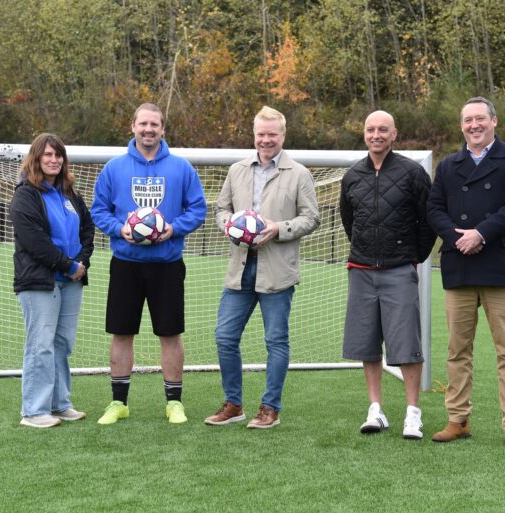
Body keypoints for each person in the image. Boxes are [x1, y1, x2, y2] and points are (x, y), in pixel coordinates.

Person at [427, 96, 505, 449]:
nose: (474, 125)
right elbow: (434, 208)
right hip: (459, 264)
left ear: (494, 121)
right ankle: (458, 419)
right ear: (461, 126)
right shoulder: (447, 166)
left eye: (480, 119)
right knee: (458, 351)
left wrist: (481, 233)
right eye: (468, 120)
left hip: (499, 265)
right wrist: (457, 237)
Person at [204, 106, 320, 429]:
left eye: (272, 134)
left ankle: (270, 408)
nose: (266, 140)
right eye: (261, 134)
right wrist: (230, 225)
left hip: (277, 270)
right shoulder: (237, 170)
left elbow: (311, 217)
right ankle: (233, 404)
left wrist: (278, 229)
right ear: (253, 135)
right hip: (240, 267)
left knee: (276, 341)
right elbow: (221, 209)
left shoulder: (299, 173)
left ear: (283, 135)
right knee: (225, 336)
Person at [91, 103, 207, 425]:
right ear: (132, 126)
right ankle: (119, 402)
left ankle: (174, 403)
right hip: (126, 264)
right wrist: (120, 229)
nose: (148, 130)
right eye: (143, 124)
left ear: (163, 129)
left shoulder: (182, 168)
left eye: (154, 124)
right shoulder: (114, 168)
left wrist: (173, 228)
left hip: (167, 264)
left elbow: (198, 209)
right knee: (121, 333)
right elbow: (98, 210)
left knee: (170, 334)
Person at [339, 110, 437, 439]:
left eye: (383, 129)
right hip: (362, 271)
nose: (376, 135)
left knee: (407, 343)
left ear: (395, 134)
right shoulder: (352, 176)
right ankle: (376, 409)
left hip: (399, 270)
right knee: (367, 343)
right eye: (370, 129)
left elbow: (429, 223)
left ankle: (413, 412)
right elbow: (350, 222)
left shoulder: (412, 173)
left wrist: (409, 257)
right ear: (364, 134)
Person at [10, 133, 95, 428]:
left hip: (72, 280)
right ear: (36, 158)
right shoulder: (26, 194)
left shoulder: (70, 193)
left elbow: (87, 228)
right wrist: (67, 265)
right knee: (41, 345)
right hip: (40, 281)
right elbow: (34, 241)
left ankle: (59, 404)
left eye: (58, 155)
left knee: (62, 344)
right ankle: (33, 411)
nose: (53, 160)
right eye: (47, 154)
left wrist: (82, 262)